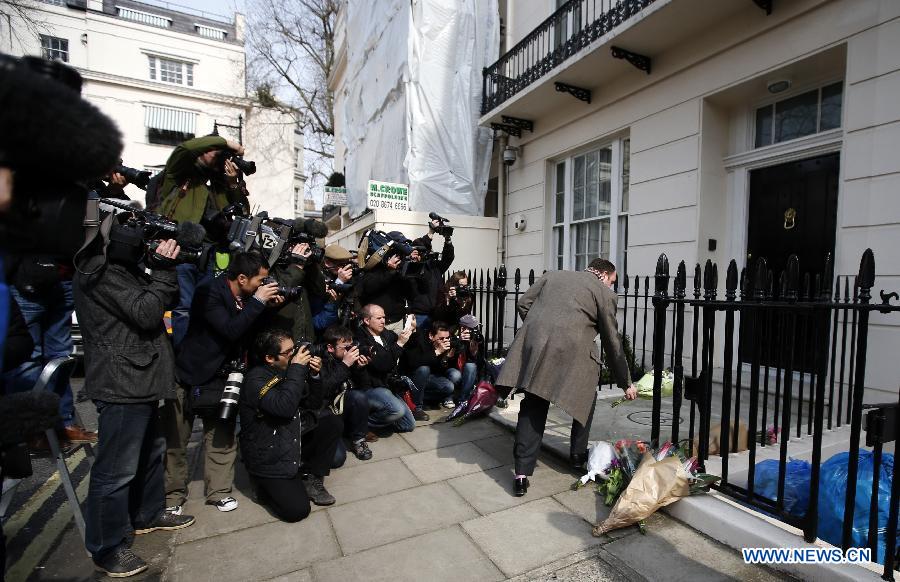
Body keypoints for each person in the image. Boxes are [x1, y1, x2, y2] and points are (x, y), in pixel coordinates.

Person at [74, 236, 195, 577]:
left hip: (140, 377)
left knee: (149, 452)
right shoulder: (99, 271)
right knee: (116, 470)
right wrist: (162, 271)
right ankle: (106, 547)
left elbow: (162, 300)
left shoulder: (122, 269)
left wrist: (161, 271)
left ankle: (148, 513)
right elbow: (146, 312)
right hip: (120, 382)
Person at [497, 258, 637, 497]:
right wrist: (626, 382)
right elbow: (613, 342)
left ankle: (521, 474)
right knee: (586, 394)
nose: (612, 286)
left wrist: (543, 330)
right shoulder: (603, 293)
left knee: (533, 403)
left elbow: (523, 304)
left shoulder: (553, 275)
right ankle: (577, 455)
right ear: (604, 275)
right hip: (572, 352)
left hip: (537, 347)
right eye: (613, 281)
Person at [163, 252, 283, 515]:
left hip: (224, 375)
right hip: (190, 372)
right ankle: (172, 494)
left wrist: (267, 307)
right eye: (260, 280)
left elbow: (249, 330)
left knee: (221, 434)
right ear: (241, 278)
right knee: (177, 437)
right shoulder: (209, 292)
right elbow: (230, 329)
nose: (263, 286)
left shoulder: (250, 298)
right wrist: (258, 303)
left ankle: (218, 491)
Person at [240, 330, 342, 521]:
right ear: (270, 358)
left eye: (294, 348)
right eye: (289, 352)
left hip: (289, 435)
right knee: (297, 510)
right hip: (269, 451)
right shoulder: (256, 379)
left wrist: (314, 376)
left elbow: (313, 404)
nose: (295, 354)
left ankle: (311, 476)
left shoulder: (289, 369)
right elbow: (284, 408)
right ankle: (261, 483)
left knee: (331, 422)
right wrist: (296, 369)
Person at [355, 304, 420, 428]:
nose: (383, 321)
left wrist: (413, 330)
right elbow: (382, 365)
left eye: (384, 317)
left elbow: (410, 349)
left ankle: (382, 417)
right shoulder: (361, 340)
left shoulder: (386, 334)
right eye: (379, 318)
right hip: (371, 388)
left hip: (387, 385)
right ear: (367, 320)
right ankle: (360, 423)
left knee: (408, 425)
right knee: (397, 411)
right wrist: (399, 343)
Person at [357, 231, 412, 334]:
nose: (399, 257)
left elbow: (408, 292)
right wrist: (389, 271)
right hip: (375, 323)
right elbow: (369, 287)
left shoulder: (400, 268)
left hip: (397, 321)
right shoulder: (373, 265)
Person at [407, 219, 455, 330]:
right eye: (425, 251)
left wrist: (447, 239)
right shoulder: (412, 268)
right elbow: (422, 279)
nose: (430, 252)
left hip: (437, 314)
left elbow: (448, 258)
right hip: (420, 315)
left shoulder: (434, 266)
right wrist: (431, 232)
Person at [401, 320, 458, 410]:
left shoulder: (446, 343)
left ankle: (420, 398)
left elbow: (441, 370)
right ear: (431, 336)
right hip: (412, 376)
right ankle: (417, 406)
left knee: (450, 385)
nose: (445, 341)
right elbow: (413, 362)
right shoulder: (418, 340)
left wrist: (446, 358)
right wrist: (437, 352)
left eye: (447, 338)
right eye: (441, 338)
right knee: (424, 369)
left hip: (431, 376)